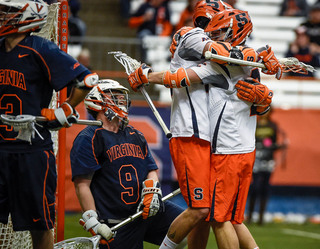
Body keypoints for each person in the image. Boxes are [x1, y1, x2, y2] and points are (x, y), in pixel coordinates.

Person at [127, 2, 281, 248]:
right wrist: (262, 52)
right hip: (201, 136)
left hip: (224, 145)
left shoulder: (236, 62)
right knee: (210, 212)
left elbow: (259, 106)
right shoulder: (196, 37)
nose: (216, 32)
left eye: (221, 28)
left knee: (217, 215)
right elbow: (200, 64)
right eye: (216, 24)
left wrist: (263, 101)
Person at [0, 1, 99, 248]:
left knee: (39, 224)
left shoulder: (41, 48)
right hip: (0, 148)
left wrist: (64, 109)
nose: (3, 16)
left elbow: (87, 79)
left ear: (27, 17)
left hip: (32, 151)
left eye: (8, 11)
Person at [70, 80, 187, 249]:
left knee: (187, 225)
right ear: (97, 102)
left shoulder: (134, 134)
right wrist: (92, 220)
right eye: (114, 96)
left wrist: (152, 189)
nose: (121, 100)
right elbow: (82, 185)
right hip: (118, 220)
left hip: (145, 211)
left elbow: (151, 169)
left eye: (121, 96)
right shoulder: (89, 138)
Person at [247, 108, 288, 225]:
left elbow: (274, 142)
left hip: (268, 160)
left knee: (265, 187)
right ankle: (249, 216)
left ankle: (261, 217)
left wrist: (276, 146)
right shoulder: (254, 123)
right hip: (255, 160)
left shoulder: (273, 126)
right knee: (254, 187)